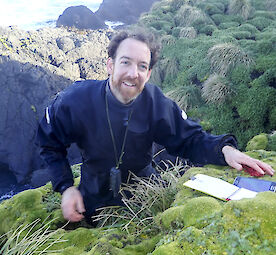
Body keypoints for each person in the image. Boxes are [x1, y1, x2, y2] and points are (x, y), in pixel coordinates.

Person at [36, 28, 274, 224]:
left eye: (142, 66)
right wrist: (66, 187)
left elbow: (188, 138)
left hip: (145, 189)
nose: (133, 73)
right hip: (92, 192)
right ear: (110, 65)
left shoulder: (155, 102)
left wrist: (225, 150)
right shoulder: (75, 101)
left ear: (148, 73)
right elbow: (49, 142)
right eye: (125, 62)